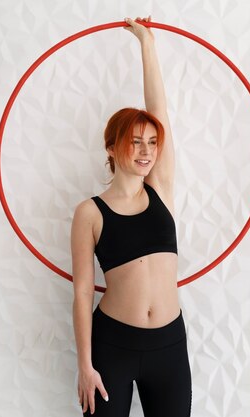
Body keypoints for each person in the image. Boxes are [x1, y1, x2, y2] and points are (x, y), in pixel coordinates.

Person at [71, 16, 192, 417]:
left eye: (152, 143)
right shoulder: (89, 212)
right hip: (112, 348)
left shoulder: (160, 187)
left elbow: (159, 111)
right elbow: (83, 293)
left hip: (169, 346)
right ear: (111, 147)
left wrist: (147, 43)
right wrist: (85, 366)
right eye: (135, 141)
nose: (146, 150)